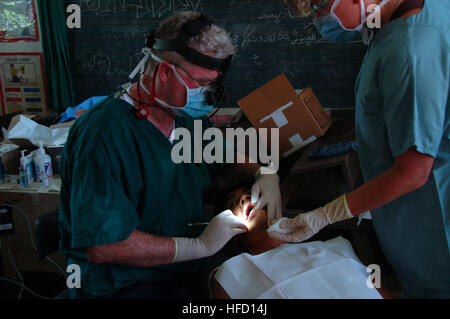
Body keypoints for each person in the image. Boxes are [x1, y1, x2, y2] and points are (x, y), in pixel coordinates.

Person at [58, 11, 282, 299]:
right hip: (126, 284)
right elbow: (104, 246)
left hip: (183, 271)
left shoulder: (184, 118)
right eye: (201, 84)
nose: (207, 94)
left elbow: (223, 154)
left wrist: (264, 172)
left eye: (212, 85)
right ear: (164, 72)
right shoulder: (105, 134)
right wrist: (199, 247)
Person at [274, 0, 449, 298]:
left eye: (319, 9)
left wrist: (327, 214)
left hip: (434, 224)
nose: (319, 21)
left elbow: (413, 173)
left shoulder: (410, 48)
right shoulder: (394, 23)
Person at [209, 187, 386, 299]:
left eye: (251, 194)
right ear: (232, 234)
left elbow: (379, 290)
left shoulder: (336, 247)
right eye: (234, 202)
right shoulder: (229, 274)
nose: (244, 199)